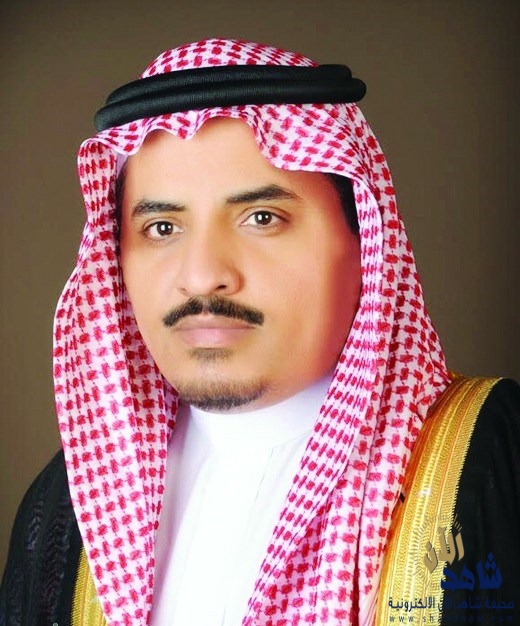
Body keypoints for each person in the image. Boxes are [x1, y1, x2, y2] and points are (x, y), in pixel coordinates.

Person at [1, 38, 518, 626]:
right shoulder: (67, 507)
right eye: (162, 227)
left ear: (364, 246)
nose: (203, 276)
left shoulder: (488, 457)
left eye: (261, 218)